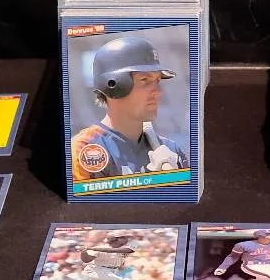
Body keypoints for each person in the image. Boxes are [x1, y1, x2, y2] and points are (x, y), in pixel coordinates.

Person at [70, 36, 188, 180]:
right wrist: (158, 184)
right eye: (145, 80)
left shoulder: (170, 151)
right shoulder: (85, 149)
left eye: (157, 80)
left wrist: (175, 180)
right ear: (113, 85)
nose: (158, 92)